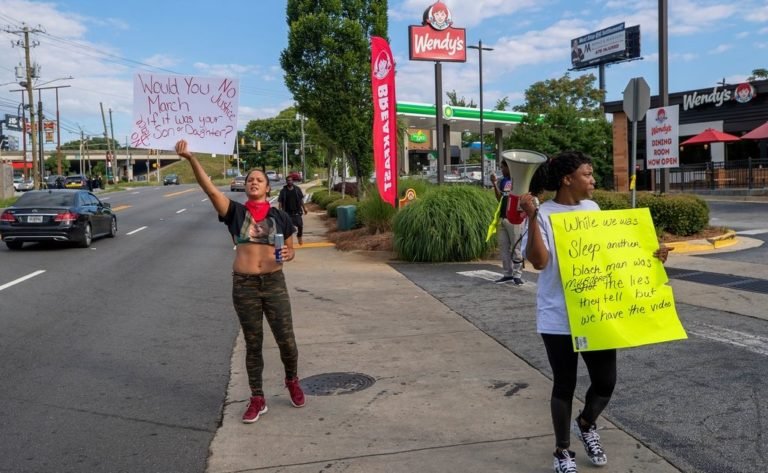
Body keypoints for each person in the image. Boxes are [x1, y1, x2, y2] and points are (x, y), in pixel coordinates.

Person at [519, 151, 669, 473]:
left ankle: (586, 424)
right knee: (564, 384)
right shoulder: (543, 213)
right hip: (558, 316)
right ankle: (562, 452)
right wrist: (531, 217)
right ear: (567, 179)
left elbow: (609, 254)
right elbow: (540, 262)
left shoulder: (593, 209)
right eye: (587, 174)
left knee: (606, 382)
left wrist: (651, 254)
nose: (593, 180)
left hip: (595, 311)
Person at [174, 139, 306, 424]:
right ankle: (257, 398)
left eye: (259, 179)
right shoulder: (235, 213)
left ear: (268, 188)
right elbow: (209, 188)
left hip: (274, 283)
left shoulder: (280, 217)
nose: (254, 182)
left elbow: (291, 250)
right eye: (250, 180)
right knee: (253, 342)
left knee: (287, 341)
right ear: (246, 187)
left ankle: (292, 380)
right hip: (244, 285)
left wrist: (289, 253)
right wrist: (191, 158)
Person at [490, 160, 525, 285]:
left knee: (516, 248)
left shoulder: (519, 181)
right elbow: (500, 198)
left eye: (503, 167)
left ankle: (517, 275)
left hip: (515, 219)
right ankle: (507, 274)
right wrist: (494, 184)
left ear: (509, 168)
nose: (502, 170)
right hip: (503, 218)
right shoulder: (503, 181)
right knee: (504, 248)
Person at [278, 176, 308, 246]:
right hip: (287, 213)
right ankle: (288, 242)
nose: (289, 182)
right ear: (286, 181)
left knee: (300, 225)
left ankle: (299, 236)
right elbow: (280, 202)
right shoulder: (283, 191)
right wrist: (280, 212)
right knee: (288, 229)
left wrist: (304, 208)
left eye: (291, 180)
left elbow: (301, 200)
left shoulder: (297, 189)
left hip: (297, 212)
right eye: (288, 180)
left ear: (293, 181)